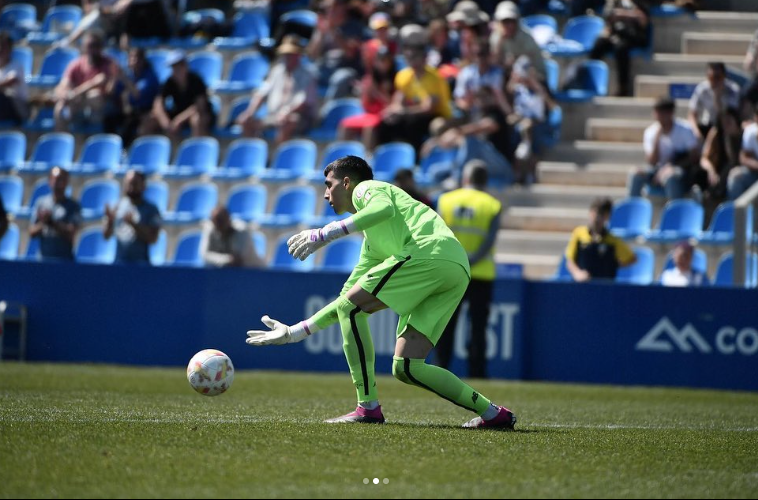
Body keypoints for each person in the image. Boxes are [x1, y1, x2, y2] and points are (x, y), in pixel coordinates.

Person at [246, 155, 516, 430]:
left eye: (329, 185)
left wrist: (326, 233)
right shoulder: (374, 245)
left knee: (352, 310)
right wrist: (295, 332)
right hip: (456, 267)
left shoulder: (368, 188)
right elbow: (344, 302)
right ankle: (494, 413)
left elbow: (383, 209)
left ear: (347, 182)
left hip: (429, 253)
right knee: (407, 366)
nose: (326, 194)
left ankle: (367, 407)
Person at [435, 160, 502, 378]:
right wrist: (471, 260)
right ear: (485, 181)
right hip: (480, 273)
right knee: (478, 326)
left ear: (465, 179)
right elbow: (489, 241)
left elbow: (438, 235)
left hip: (451, 271)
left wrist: (457, 259)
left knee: (445, 324)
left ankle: (440, 369)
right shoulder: (492, 204)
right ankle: (478, 372)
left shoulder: (446, 200)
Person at [236, 36, 317, 147]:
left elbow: (304, 101)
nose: (286, 57)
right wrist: (250, 112)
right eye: (285, 54)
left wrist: (286, 111)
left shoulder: (307, 74)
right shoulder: (276, 71)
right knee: (245, 121)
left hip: (299, 117)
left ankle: (279, 156)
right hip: (274, 115)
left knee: (288, 121)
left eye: (290, 54)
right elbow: (261, 94)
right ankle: (253, 154)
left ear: (298, 55)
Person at [376, 36, 453, 154]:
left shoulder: (435, 78)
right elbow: (399, 98)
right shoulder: (404, 75)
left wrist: (403, 112)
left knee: (412, 124)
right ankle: (384, 156)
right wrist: (393, 111)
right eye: (408, 57)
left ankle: (414, 159)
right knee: (385, 122)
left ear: (424, 57)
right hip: (413, 113)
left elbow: (428, 108)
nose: (411, 61)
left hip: (437, 114)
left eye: (415, 57)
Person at [628, 96, 701, 200]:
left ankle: (675, 211)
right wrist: (657, 140)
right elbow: (652, 162)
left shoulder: (685, 129)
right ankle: (631, 210)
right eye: (657, 113)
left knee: (671, 176)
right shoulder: (651, 132)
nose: (659, 116)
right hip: (658, 170)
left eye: (663, 113)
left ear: (671, 113)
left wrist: (671, 167)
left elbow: (694, 157)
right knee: (636, 174)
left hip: (681, 171)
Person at [140, 50, 215, 140]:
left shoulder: (196, 81)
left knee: (197, 119)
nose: (176, 70)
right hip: (179, 113)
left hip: (196, 114)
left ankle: (196, 151)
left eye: (179, 66)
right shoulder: (169, 82)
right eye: (173, 67)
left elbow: (200, 106)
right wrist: (166, 122)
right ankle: (149, 151)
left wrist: (179, 120)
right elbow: (158, 104)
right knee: (149, 120)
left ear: (185, 66)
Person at [54, 29, 119, 132]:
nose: (92, 49)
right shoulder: (76, 64)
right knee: (60, 107)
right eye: (90, 46)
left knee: (95, 95)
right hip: (79, 104)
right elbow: (63, 85)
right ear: (84, 47)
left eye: (96, 45)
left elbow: (106, 89)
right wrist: (64, 94)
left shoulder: (108, 63)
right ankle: (62, 140)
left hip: (103, 109)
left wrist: (76, 93)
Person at [565, 197, 637, 282]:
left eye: (602, 215)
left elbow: (631, 258)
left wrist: (613, 265)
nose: (598, 218)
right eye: (595, 213)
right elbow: (570, 261)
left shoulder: (613, 240)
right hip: (582, 287)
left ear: (607, 217)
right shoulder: (579, 234)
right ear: (590, 212)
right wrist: (577, 273)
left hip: (605, 288)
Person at [589, 0, 650, 97]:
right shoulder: (613, 2)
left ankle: (623, 87)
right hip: (615, 33)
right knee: (598, 45)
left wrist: (623, 14)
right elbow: (608, 16)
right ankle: (590, 80)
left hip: (633, 35)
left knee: (621, 49)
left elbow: (643, 19)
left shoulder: (639, 3)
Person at [103, 170, 161, 264]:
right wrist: (110, 222)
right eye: (128, 184)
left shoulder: (152, 210)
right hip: (120, 263)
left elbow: (153, 238)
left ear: (143, 186)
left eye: (134, 184)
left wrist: (133, 224)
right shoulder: (117, 207)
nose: (131, 188)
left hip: (141, 265)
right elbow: (106, 236)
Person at [29, 167, 82, 261]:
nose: (58, 183)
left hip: (64, 261)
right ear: (50, 181)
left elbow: (71, 233)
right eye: (55, 179)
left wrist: (52, 222)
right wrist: (43, 222)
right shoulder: (41, 203)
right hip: (43, 260)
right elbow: (32, 232)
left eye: (62, 180)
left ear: (66, 182)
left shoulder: (73, 206)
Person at [688, 62, 741, 142]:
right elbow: (692, 113)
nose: (714, 81)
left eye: (717, 77)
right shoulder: (702, 89)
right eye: (711, 77)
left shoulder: (733, 90)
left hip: (726, 126)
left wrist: (717, 98)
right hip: (708, 125)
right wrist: (696, 132)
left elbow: (729, 116)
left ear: (724, 76)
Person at [728, 104, 758, 200]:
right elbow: (744, 158)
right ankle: (736, 213)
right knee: (736, 175)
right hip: (755, 174)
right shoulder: (750, 131)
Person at [0, 31, 29, 126]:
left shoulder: (16, 66)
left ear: (10, 49)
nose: (1, 50)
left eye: (4, 47)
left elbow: (11, 81)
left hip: (17, 109)